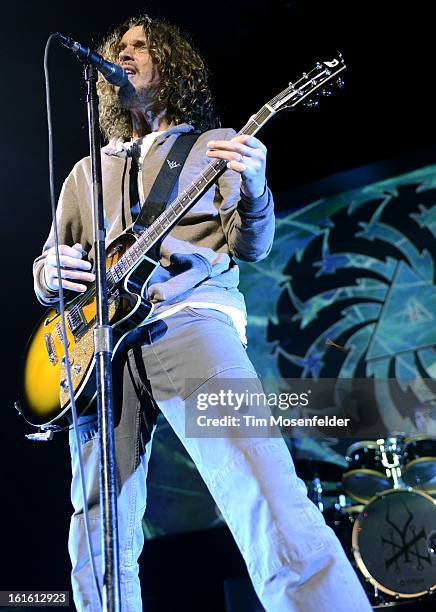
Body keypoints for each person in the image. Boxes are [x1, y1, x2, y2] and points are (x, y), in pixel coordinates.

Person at [33, 14, 372, 612]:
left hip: (189, 319)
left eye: (140, 46)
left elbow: (252, 244)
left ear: (170, 63)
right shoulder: (87, 170)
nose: (126, 54)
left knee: (262, 488)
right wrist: (47, 273)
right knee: (95, 532)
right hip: (97, 353)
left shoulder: (211, 147)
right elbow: (56, 259)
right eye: (119, 48)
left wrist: (257, 184)